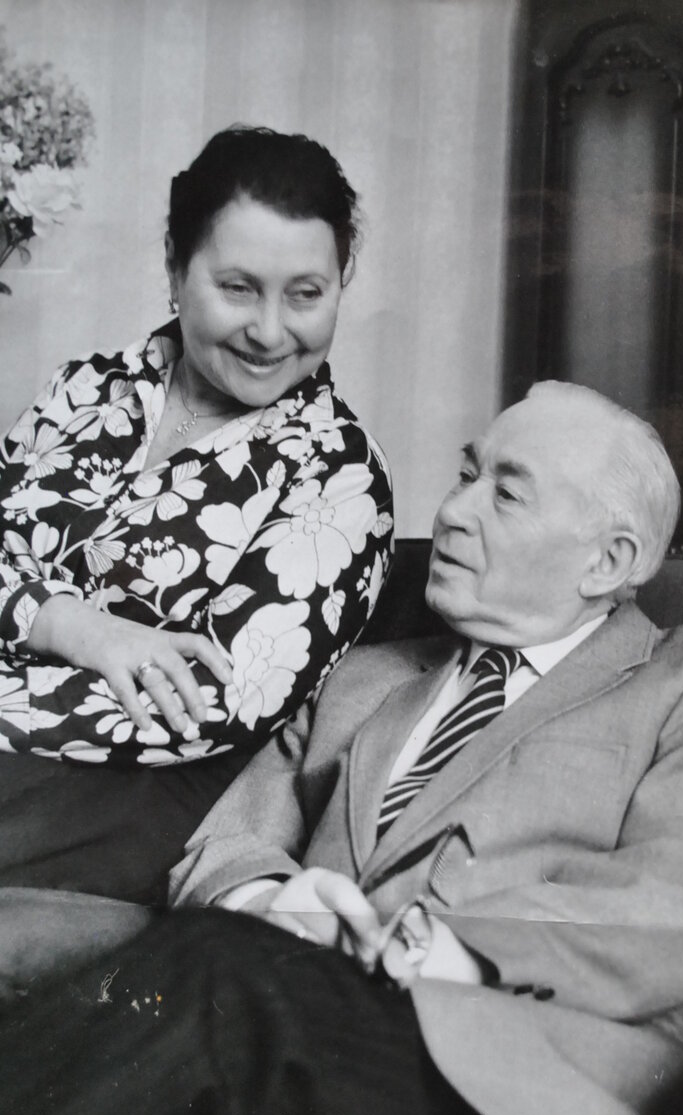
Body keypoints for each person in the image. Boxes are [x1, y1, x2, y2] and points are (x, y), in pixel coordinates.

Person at [0, 383, 683, 1115]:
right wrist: (273, 902)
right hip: (295, 1042)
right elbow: (227, 841)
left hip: (518, 1085)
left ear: (609, 560)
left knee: (216, 976)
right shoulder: (366, 677)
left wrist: (451, 947)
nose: (452, 512)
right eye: (466, 476)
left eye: (506, 494)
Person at [0, 126, 393, 902]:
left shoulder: (340, 477)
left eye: (306, 294)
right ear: (176, 267)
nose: (270, 332)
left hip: (126, 798)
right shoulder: (85, 389)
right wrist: (78, 628)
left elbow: (211, 704)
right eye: (239, 288)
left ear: (342, 280)